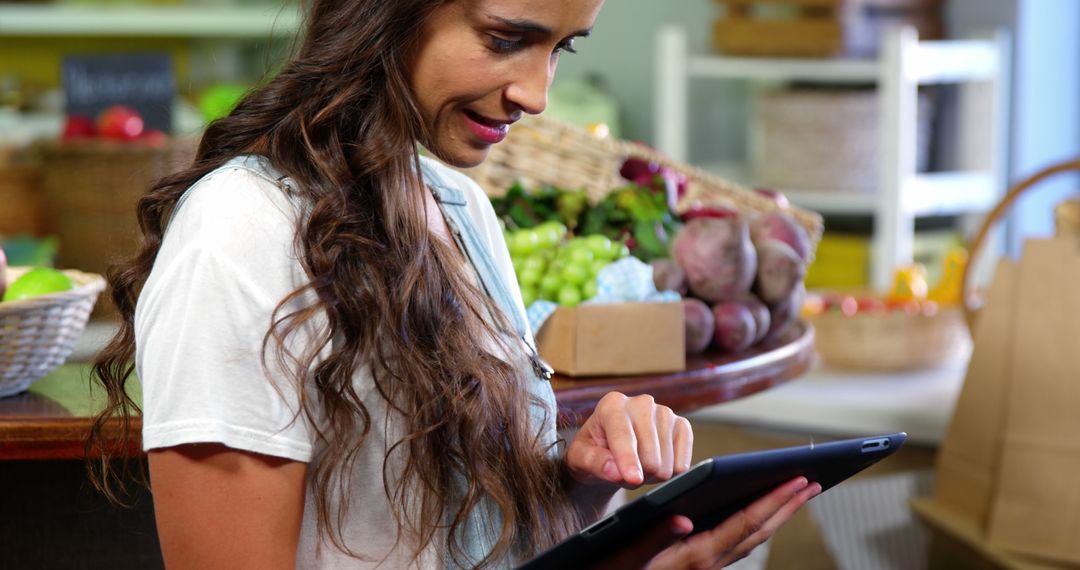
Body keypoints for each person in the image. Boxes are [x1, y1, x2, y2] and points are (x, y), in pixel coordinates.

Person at [89, 0, 821, 568]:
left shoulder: (457, 204)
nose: (538, 94)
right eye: (505, 38)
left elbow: (470, 542)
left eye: (560, 48)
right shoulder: (241, 229)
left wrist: (582, 479)